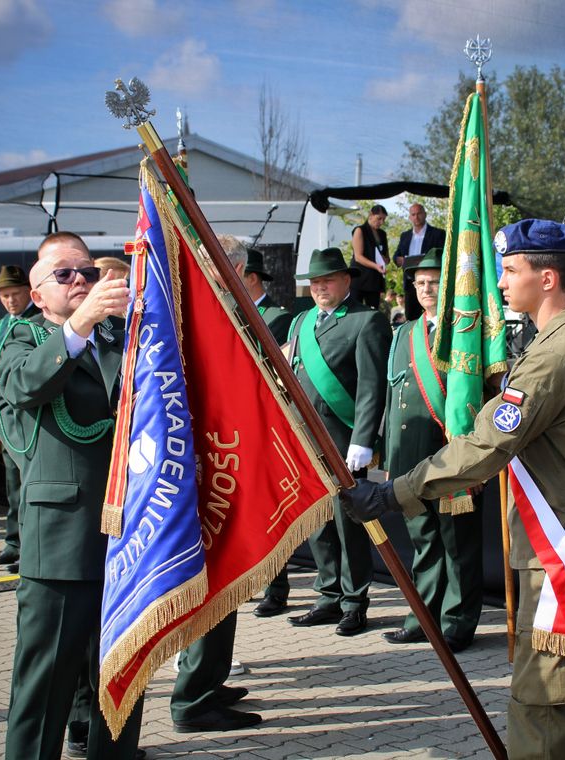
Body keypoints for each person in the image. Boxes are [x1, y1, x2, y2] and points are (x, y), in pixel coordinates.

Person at [342, 219, 565, 760]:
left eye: (511, 271)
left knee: (544, 706)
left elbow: (488, 445)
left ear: (547, 278)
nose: (501, 284)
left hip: (556, 554)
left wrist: (395, 493)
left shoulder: (557, 353)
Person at [0, 232, 143, 760]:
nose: (79, 280)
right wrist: (78, 327)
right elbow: (23, 388)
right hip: (60, 538)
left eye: (85, 271)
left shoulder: (121, 337)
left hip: (127, 534)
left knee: (120, 677)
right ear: (37, 295)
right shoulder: (23, 339)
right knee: (45, 682)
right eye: (63, 274)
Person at [171, 236, 264, 734]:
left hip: (224, 458)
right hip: (212, 467)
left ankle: (208, 677)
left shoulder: (215, 312)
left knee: (223, 582)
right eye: (232, 267)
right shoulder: (205, 315)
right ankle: (194, 698)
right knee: (212, 581)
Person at [380, 248, 481, 653]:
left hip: (450, 455)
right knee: (423, 540)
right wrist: (390, 458)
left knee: (458, 543)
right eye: (420, 283)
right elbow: (393, 397)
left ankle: (457, 622)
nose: (425, 289)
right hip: (411, 455)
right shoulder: (405, 332)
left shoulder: (464, 330)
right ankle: (423, 617)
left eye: (434, 282)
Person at [287, 247, 391, 636]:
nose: (319, 288)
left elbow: (370, 387)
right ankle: (327, 595)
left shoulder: (367, 321)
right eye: (314, 283)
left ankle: (355, 601)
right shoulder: (301, 322)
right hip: (306, 439)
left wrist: (363, 441)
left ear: (346, 280)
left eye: (327, 280)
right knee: (317, 522)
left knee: (350, 524)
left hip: (345, 440)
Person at [247, 247, 299, 620]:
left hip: (267, 421)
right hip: (241, 423)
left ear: (249, 278)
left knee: (270, 504)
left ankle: (276, 586)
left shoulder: (276, 317)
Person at [0, 264, 40, 569]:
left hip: (28, 420)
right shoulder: (4, 325)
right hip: (5, 418)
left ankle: (29, 549)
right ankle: (14, 543)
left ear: (28, 293)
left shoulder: (36, 322)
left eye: (14, 294)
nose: (9, 301)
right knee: (12, 488)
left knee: (28, 488)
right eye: (4, 296)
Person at [393, 203, 446, 319]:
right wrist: (398, 260)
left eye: (419, 214)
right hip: (410, 281)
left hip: (432, 282)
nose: (416, 217)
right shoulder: (405, 236)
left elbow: (444, 255)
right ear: (410, 217)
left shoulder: (438, 234)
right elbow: (396, 255)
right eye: (413, 214)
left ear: (425, 214)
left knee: (435, 314)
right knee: (412, 317)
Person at [350, 205, 389, 309]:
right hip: (359, 278)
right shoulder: (360, 230)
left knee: (373, 310)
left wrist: (385, 260)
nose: (381, 222)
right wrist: (376, 266)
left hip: (374, 281)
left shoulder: (382, 234)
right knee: (355, 309)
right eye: (379, 218)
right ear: (371, 215)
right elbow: (358, 256)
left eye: (383, 219)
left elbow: (387, 257)